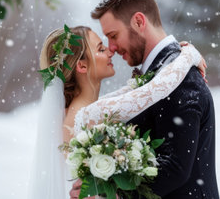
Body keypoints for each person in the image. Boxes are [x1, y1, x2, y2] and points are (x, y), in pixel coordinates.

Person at [71, 0, 220, 198]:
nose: (111, 48)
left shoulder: (181, 79)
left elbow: (175, 168)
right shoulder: (164, 73)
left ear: (139, 21)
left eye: (113, 36)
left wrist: (108, 193)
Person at [30, 24, 205, 198]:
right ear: (82, 66)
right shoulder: (85, 115)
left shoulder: (88, 108)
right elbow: (155, 90)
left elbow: (134, 91)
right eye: (100, 49)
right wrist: (189, 55)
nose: (110, 51)